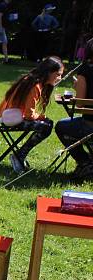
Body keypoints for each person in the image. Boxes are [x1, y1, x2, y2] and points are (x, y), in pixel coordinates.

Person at [0, 55, 64, 173]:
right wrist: (42, 117)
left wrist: (42, 117)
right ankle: (19, 155)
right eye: (58, 74)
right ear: (48, 72)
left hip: (8, 115)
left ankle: (20, 155)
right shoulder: (35, 86)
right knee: (46, 126)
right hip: (11, 119)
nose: (60, 78)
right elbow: (29, 115)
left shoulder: (32, 80)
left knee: (47, 123)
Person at [55, 37, 93, 178]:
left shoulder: (86, 70)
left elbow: (80, 103)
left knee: (61, 126)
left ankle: (85, 162)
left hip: (90, 125)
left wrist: (77, 86)